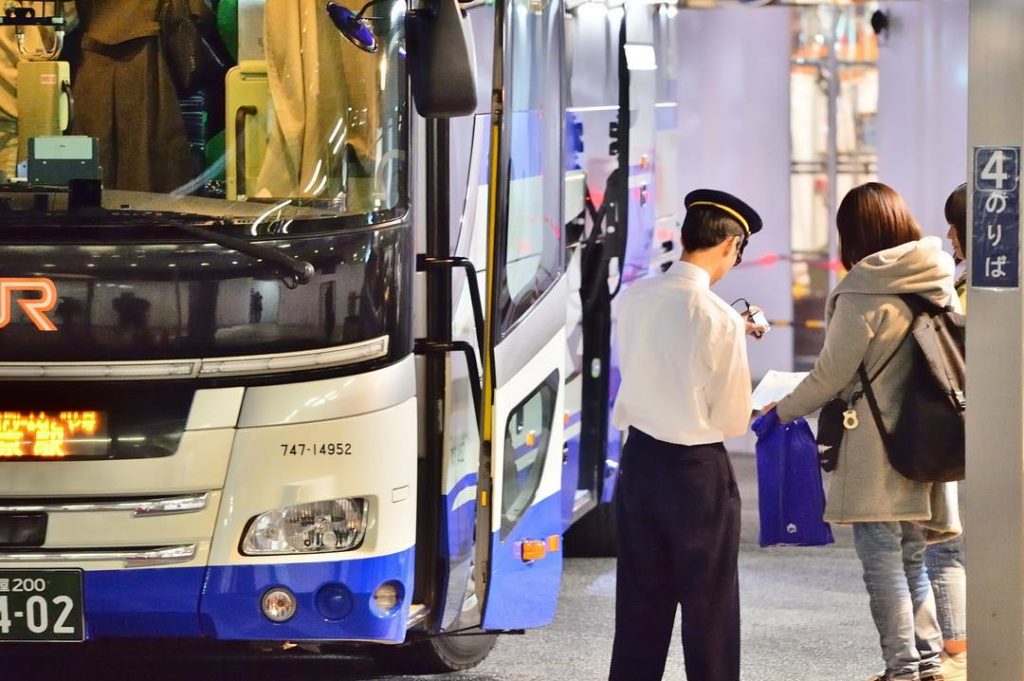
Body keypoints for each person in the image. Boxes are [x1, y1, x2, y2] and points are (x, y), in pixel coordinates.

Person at [767, 182, 961, 681]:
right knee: (913, 557)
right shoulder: (935, 280)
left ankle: (901, 671)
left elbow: (829, 378)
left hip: (877, 448)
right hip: (929, 443)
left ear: (853, 233)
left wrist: (780, 411)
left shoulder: (860, 296)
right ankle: (927, 664)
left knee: (881, 562)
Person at [608, 188, 767, 681]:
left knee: (639, 607)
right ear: (730, 246)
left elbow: (655, 356)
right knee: (710, 611)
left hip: (639, 464)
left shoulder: (634, 297)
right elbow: (733, 420)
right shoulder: (719, 317)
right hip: (697, 474)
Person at [925, 183, 968, 681]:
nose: (949, 236)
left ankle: (957, 651)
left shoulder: (969, 291)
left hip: (961, 430)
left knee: (946, 542)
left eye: (954, 227)